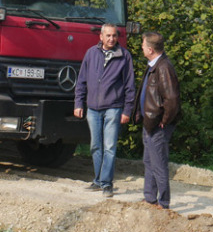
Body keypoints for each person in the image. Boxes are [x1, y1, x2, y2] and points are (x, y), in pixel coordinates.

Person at [74, 23, 136, 197]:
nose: (111, 39)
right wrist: (78, 103)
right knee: (95, 146)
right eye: (108, 35)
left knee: (109, 147)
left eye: (114, 36)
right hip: (92, 108)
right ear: (100, 37)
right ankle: (98, 180)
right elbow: (81, 81)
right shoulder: (91, 53)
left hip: (114, 107)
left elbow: (130, 86)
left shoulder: (124, 56)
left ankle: (107, 184)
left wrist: (127, 110)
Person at [134, 32, 181, 209]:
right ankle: (150, 198)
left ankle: (163, 202)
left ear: (150, 49)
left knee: (159, 163)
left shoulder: (164, 68)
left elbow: (172, 99)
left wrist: (165, 120)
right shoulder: (153, 65)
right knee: (148, 161)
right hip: (149, 122)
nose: (141, 47)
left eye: (143, 45)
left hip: (158, 124)